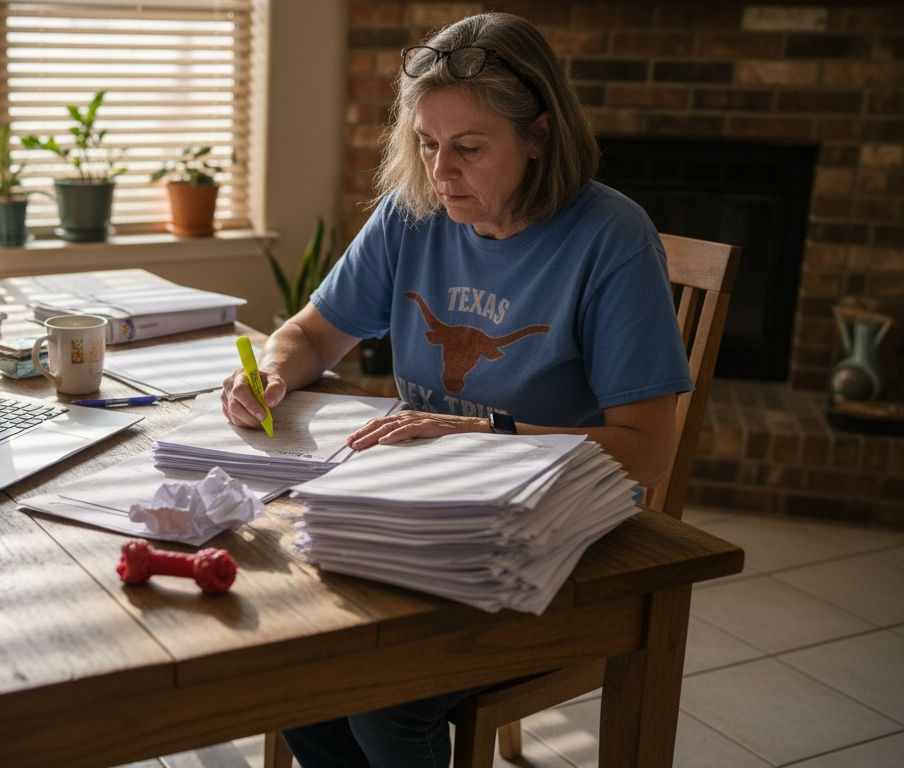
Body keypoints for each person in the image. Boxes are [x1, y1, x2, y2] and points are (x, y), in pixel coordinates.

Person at [220, 11, 692, 768]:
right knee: (292, 664)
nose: (442, 173)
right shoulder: (415, 215)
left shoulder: (610, 237)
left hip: (548, 541)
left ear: (538, 135)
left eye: (469, 148)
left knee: (385, 693)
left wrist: (479, 434)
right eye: (427, 144)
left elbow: (646, 451)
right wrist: (272, 372)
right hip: (424, 515)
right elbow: (310, 335)